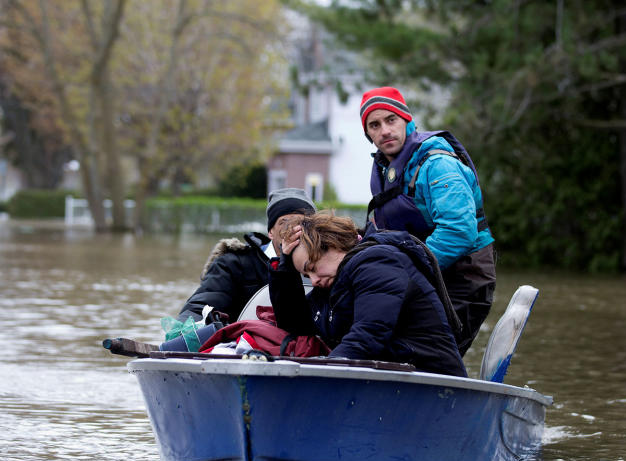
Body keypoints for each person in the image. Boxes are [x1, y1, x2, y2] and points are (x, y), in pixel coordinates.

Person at [360, 86, 495, 356]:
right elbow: (381, 231)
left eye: (391, 120)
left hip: (464, 274)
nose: (384, 130)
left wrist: (404, 270)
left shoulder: (438, 164)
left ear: (406, 120)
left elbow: (458, 232)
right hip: (422, 272)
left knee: (420, 351)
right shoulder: (386, 170)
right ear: (368, 134)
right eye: (374, 125)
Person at [269, 212, 466, 376]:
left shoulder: (378, 262)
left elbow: (369, 335)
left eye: (312, 267)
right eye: (305, 275)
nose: (313, 281)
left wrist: (322, 372)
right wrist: (285, 267)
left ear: (333, 245)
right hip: (391, 383)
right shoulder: (332, 284)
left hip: (432, 382)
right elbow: (296, 326)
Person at [175, 187, 316, 323]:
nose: (292, 229)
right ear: (270, 232)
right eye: (283, 222)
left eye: (301, 223)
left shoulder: (326, 264)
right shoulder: (234, 263)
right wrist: (186, 330)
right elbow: (200, 307)